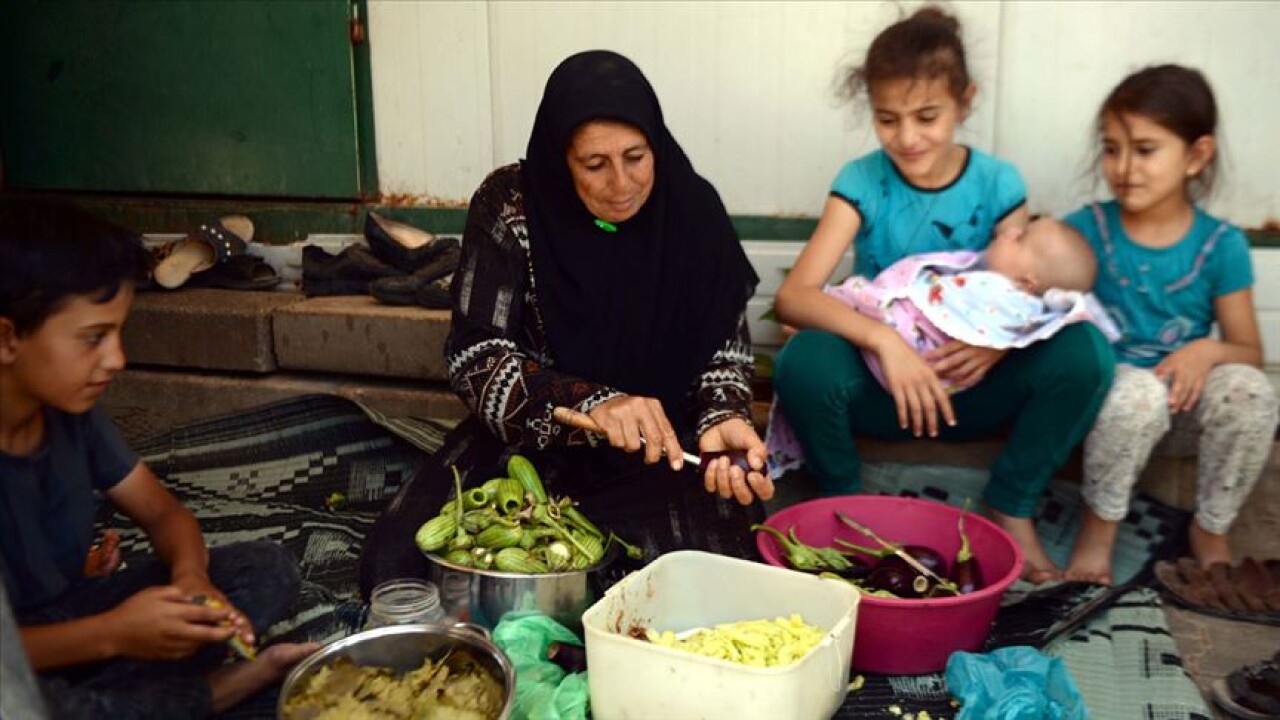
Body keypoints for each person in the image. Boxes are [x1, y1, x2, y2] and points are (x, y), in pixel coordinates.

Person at [359, 50, 770, 594]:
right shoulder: (512, 206)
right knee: (400, 568)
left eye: (636, 157)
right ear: (560, 158)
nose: (621, 183)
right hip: (530, 438)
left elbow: (724, 353)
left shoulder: (691, 210)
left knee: (707, 584)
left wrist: (723, 414)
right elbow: (475, 353)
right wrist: (590, 402)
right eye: (594, 165)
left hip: (663, 447)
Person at [768, 6, 1115, 583]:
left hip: (974, 387)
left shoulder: (998, 183)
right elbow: (796, 296)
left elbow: (1028, 294)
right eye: (887, 119)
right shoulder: (861, 181)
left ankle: (1012, 502)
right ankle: (844, 502)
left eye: (927, 116)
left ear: (965, 101)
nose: (907, 137)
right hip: (885, 388)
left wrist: (998, 349)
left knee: (1086, 354)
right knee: (805, 360)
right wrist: (885, 341)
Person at [0, 199, 318, 719]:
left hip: (76, 616)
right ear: (7, 337)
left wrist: (192, 580)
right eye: (93, 339)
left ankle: (135, 700)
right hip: (18, 658)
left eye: (118, 333)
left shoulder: (71, 417)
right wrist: (113, 634)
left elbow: (164, 515)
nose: (117, 360)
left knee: (265, 571)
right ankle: (217, 691)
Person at [1062, 65, 1278, 585]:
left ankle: (1211, 528)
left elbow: (1248, 348)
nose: (1123, 166)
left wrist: (1207, 351)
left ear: (1196, 156)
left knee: (1250, 391)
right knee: (1136, 396)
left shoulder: (1219, 245)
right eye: (1111, 148)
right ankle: (1099, 529)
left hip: (1183, 412)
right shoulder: (1086, 230)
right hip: (1107, 409)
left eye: (1145, 149)